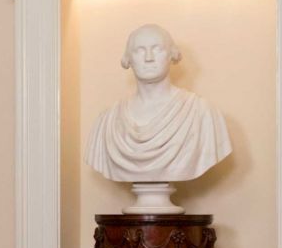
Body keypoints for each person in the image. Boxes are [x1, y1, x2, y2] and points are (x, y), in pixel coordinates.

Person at [84, 24, 231, 183]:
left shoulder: (202, 113)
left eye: (157, 49)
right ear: (128, 59)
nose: (149, 58)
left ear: (171, 55)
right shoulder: (108, 120)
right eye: (140, 50)